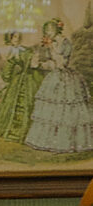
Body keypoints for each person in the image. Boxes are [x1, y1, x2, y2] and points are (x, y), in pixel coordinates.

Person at [24, 18, 93, 160]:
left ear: (57, 28)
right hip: (54, 77)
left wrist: (51, 49)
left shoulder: (65, 43)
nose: (48, 33)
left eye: (50, 29)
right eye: (46, 30)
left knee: (66, 112)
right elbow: (52, 64)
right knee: (51, 113)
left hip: (66, 79)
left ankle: (66, 144)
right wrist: (40, 63)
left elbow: (62, 64)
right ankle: (51, 143)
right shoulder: (50, 44)